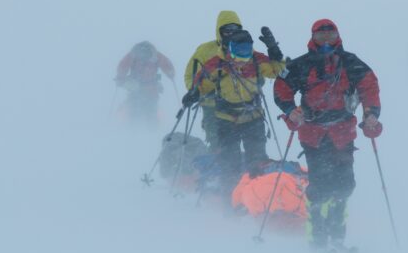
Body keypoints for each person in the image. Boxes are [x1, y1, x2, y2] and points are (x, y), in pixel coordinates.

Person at [274, 18, 382, 252]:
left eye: (330, 36)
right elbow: (281, 87)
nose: (325, 41)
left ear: (338, 36)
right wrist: (291, 111)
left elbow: (370, 87)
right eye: (320, 36)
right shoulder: (301, 64)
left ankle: (337, 234)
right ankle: (317, 235)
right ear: (312, 37)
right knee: (320, 185)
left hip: (342, 131)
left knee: (344, 184)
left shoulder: (350, 62)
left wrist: (371, 113)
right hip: (312, 132)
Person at [182, 25, 285, 202]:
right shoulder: (216, 64)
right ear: (229, 48)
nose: (241, 58)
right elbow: (202, 85)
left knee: (257, 161)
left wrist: (274, 49)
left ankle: (257, 200)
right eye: (237, 52)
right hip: (226, 121)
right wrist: (193, 94)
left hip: (254, 119)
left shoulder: (257, 61)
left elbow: (279, 71)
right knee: (230, 163)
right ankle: (231, 202)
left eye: (246, 51)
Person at [184, 11, 246, 150]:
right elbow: (190, 76)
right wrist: (195, 90)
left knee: (250, 144)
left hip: (243, 105)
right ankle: (221, 169)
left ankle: (241, 169)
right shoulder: (205, 51)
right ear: (220, 31)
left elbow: (255, 72)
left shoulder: (245, 48)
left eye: (235, 30)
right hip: (212, 107)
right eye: (227, 30)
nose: (231, 34)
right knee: (219, 145)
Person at [114, 41, 175, 126]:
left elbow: (123, 66)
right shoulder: (156, 55)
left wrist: (120, 78)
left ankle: (133, 129)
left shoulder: (133, 55)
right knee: (150, 111)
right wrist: (170, 74)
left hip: (136, 88)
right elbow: (167, 64)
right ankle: (151, 129)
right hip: (150, 89)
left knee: (135, 111)